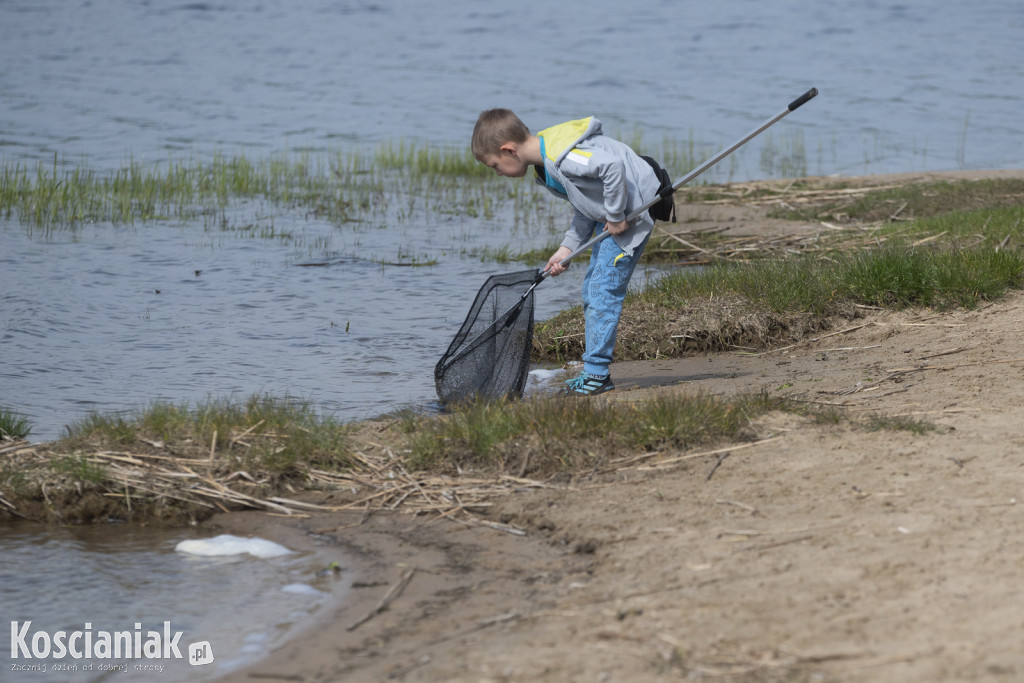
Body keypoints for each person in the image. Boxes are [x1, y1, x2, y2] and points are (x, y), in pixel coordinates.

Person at [471, 108, 664, 396]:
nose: (498, 173)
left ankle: (597, 375)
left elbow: (612, 167)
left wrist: (613, 215)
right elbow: (587, 204)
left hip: (633, 210)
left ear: (509, 150)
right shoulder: (546, 165)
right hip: (615, 215)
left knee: (602, 291)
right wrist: (567, 248)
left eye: (495, 166)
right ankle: (593, 371)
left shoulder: (562, 157)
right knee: (592, 289)